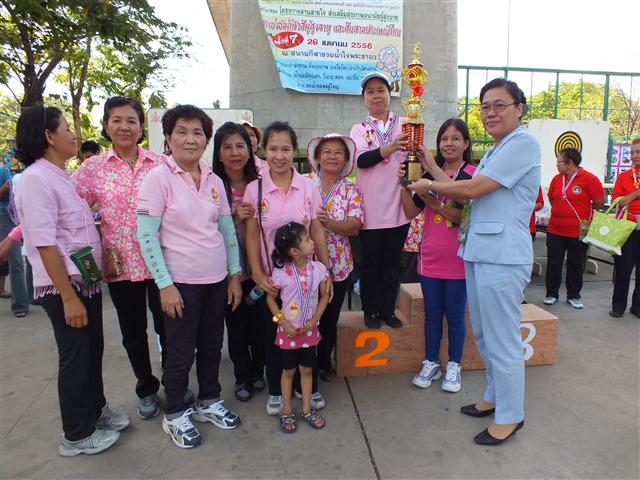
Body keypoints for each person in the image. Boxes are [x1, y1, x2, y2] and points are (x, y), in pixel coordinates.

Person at [409, 78, 540, 445]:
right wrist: (431, 167)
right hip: (480, 253)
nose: (491, 112)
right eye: (485, 106)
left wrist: (429, 186)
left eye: (500, 104)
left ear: (519, 108)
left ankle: (511, 415)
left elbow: (470, 190)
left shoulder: (523, 144)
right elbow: (463, 185)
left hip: (502, 257)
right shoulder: (499, 149)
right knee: (485, 333)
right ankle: (495, 398)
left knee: (502, 339)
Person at [14, 105, 130, 456]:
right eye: (65, 127)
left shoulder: (61, 174)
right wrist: (67, 296)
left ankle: (96, 413)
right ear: (48, 136)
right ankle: (77, 434)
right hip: (66, 287)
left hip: (86, 282)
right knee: (75, 356)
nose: (73, 133)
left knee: (92, 350)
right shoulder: (35, 180)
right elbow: (44, 243)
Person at [137, 104, 242, 449]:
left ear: (206, 140)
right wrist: (165, 285)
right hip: (179, 285)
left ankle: (209, 399)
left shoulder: (213, 179)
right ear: (168, 138)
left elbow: (227, 231)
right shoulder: (158, 178)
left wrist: (234, 276)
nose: (190, 139)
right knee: (180, 352)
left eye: (198, 132)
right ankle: (176, 413)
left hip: (215, 282)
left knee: (212, 346)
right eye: (181, 131)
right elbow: (147, 235)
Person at [72, 96, 168, 420]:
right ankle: (146, 388)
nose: (124, 126)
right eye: (117, 120)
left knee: (169, 326)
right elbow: (70, 209)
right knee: (132, 332)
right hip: (120, 265)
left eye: (131, 120)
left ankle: (174, 380)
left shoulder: (160, 163)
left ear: (142, 126)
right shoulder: (92, 169)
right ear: (106, 126)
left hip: (160, 263)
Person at [243, 121, 332, 417]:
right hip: (274, 280)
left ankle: (307, 387)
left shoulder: (308, 186)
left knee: (308, 329)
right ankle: (276, 391)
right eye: (272, 149)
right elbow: (253, 234)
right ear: (263, 150)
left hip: (305, 279)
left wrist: (326, 270)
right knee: (275, 336)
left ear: (293, 151)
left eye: (285, 149)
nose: (278, 155)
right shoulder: (254, 190)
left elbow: (316, 230)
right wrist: (257, 273)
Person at [400, 118, 476, 393]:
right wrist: (405, 185)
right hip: (430, 256)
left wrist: (434, 200)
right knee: (432, 315)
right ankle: (431, 361)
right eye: (444, 138)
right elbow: (411, 213)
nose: (449, 143)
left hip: (458, 258)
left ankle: (454, 365)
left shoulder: (472, 174)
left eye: (456, 138)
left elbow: (464, 207)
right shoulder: (428, 175)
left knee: (455, 315)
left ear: (466, 143)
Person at [350, 71, 410, 329]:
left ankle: (388, 310)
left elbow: (415, 157)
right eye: (370, 91)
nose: (376, 95)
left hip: (398, 208)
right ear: (364, 98)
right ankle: (370, 310)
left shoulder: (406, 122)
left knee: (392, 265)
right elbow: (361, 160)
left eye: (381, 90)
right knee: (370, 265)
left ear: (389, 94)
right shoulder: (359, 129)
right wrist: (390, 148)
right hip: (370, 210)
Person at [212, 121, 266, 401]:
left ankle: (259, 371)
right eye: (227, 147)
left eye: (240, 146)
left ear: (250, 150)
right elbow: (207, 231)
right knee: (236, 326)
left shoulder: (262, 182)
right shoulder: (211, 185)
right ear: (219, 154)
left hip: (261, 269)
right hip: (229, 272)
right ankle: (242, 376)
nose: (235, 152)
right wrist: (235, 218)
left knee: (261, 323)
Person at [306, 132, 364, 380]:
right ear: (317, 157)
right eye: (326, 151)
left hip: (338, 266)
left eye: (338, 152)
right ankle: (302, 362)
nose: (332, 156)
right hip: (304, 264)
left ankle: (322, 363)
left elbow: (355, 226)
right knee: (303, 313)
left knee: (329, 318)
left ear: (346, 160)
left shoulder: (351, 189)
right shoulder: (303, 182)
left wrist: (328, 222)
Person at [266, 222, 330, 433]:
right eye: (307, 240)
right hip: (288, 333)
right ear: (294, 251)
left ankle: (306, 409)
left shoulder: (318, 269)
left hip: (309, 331)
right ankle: (286, 410)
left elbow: (325, 296)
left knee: (307, 370)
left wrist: (315, 319)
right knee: (288, 371)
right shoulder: (280, 274)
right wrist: (282, 322)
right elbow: (270, 301)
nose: (313, 243)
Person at [543, 147, 605, 309]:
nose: (557, 165)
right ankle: (551, 294)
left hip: (578, 230)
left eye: (559, 162)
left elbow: (599, 201)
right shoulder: (557, 179)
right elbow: (552, 199)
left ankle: (574, 295)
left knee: (576, 263)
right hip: (555, 229)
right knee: (554, 262)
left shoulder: (589, 179)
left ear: (569, 162)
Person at [609, 138, 640, 318]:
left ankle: (637, 307)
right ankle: (618, 306)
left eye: (638, 152)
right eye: (632, 153)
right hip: (628, 228)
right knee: (623, 269)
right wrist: (636, 193)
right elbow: (618, 201)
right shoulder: (624, 177)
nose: (634, 156)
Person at [0, 163, 29, 317]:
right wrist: (4, 189)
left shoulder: (11, 170)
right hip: (5, 217)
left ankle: (25, 300)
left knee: (21, 260)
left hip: (16, 216)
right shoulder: (3, 172)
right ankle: (20, 303)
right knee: (15, 261)